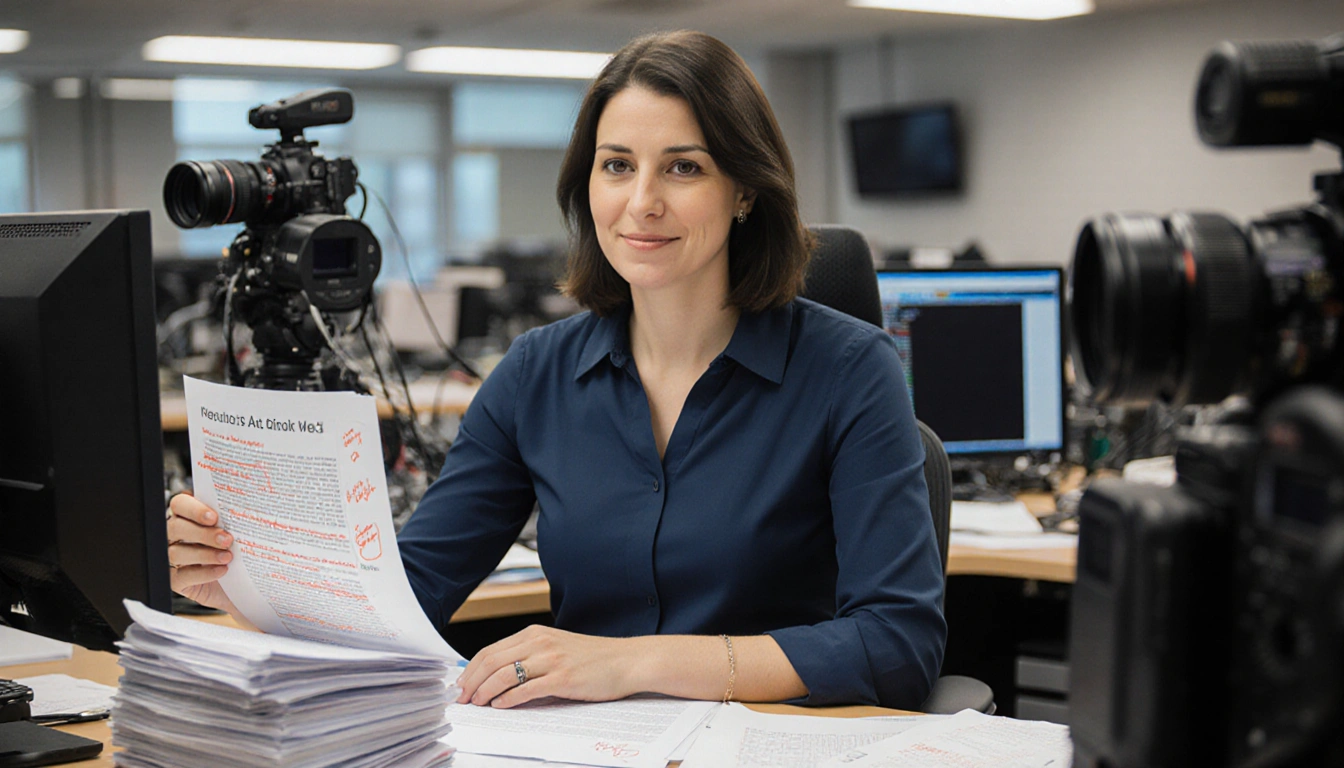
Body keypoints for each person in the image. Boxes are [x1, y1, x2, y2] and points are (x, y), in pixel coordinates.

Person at [166, 29, 946, 711]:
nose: (640, 202)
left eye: (683, 168)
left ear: (744, 189)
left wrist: (634, 660)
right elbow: (408, 595)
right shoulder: (537, 374)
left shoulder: (849, 371)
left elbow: (897, 645)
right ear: (586, 183)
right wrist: (244, 584)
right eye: (616, 166)